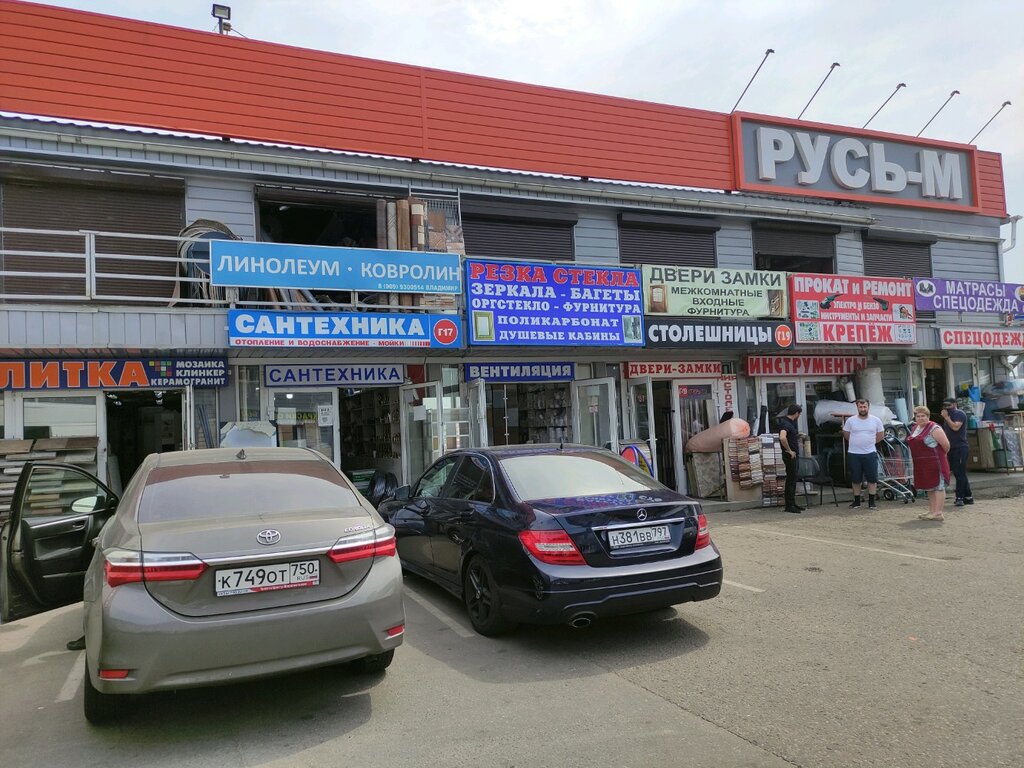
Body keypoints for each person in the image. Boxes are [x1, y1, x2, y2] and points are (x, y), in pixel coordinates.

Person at [908, 406, 951, 522]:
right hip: (922, 464)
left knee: (939, 487)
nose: (920, 418)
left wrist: (940, 457)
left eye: (923, 416)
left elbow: (946, 446)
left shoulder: (935, 428)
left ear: (928, 416)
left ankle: (938, 513)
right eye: (918, 416)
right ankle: (932, 511)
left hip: (936, 463)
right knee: (930, 487)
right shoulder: (915, 428)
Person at [842, 398, 884, 509]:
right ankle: (856, 501)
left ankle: (871, 502)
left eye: (865, 407)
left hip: (870, 453)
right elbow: (846, 434)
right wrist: (857, 442)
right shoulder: (850, 421)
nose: (863, 409)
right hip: (854, 453)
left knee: (872, 478)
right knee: (856, 479)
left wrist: (869, 442)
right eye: (860, 407)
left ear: (868, 407)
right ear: (857, 407)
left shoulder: (876, 420)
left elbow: (880, 435)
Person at [940, 397, 974, 507]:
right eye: (945, 405)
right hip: (951, 447)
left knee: (960, 473)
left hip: (960, 447)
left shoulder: (959, 413)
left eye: (949, 405)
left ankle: (960, 497)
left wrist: (947, 418)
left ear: (954, 404)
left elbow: (955, 427)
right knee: (958, 472)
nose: (947, 407)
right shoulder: (948, 415)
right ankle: (968, 496)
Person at [778, 404, 804, 513]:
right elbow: (782, 437)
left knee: (793, 479)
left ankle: (792, 503)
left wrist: (796, 437)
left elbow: (787, 437)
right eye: (799, 414)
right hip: (790, 456)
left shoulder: (789, 423)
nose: (799, 416)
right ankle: (789, 505)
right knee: (791, 480)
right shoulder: (786, 423)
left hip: (793, 455)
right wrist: (789, 450)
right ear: (796, 413)